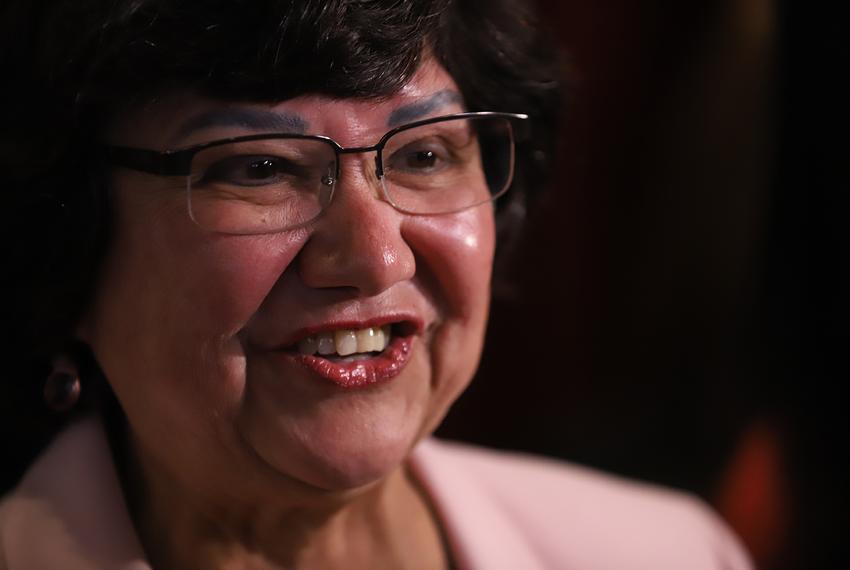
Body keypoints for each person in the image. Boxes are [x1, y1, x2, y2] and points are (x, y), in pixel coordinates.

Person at [0, 1, 752, 568]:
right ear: (69, 239)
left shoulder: (670, 549)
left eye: (424, 155)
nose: (373, 257)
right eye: (260, 167)